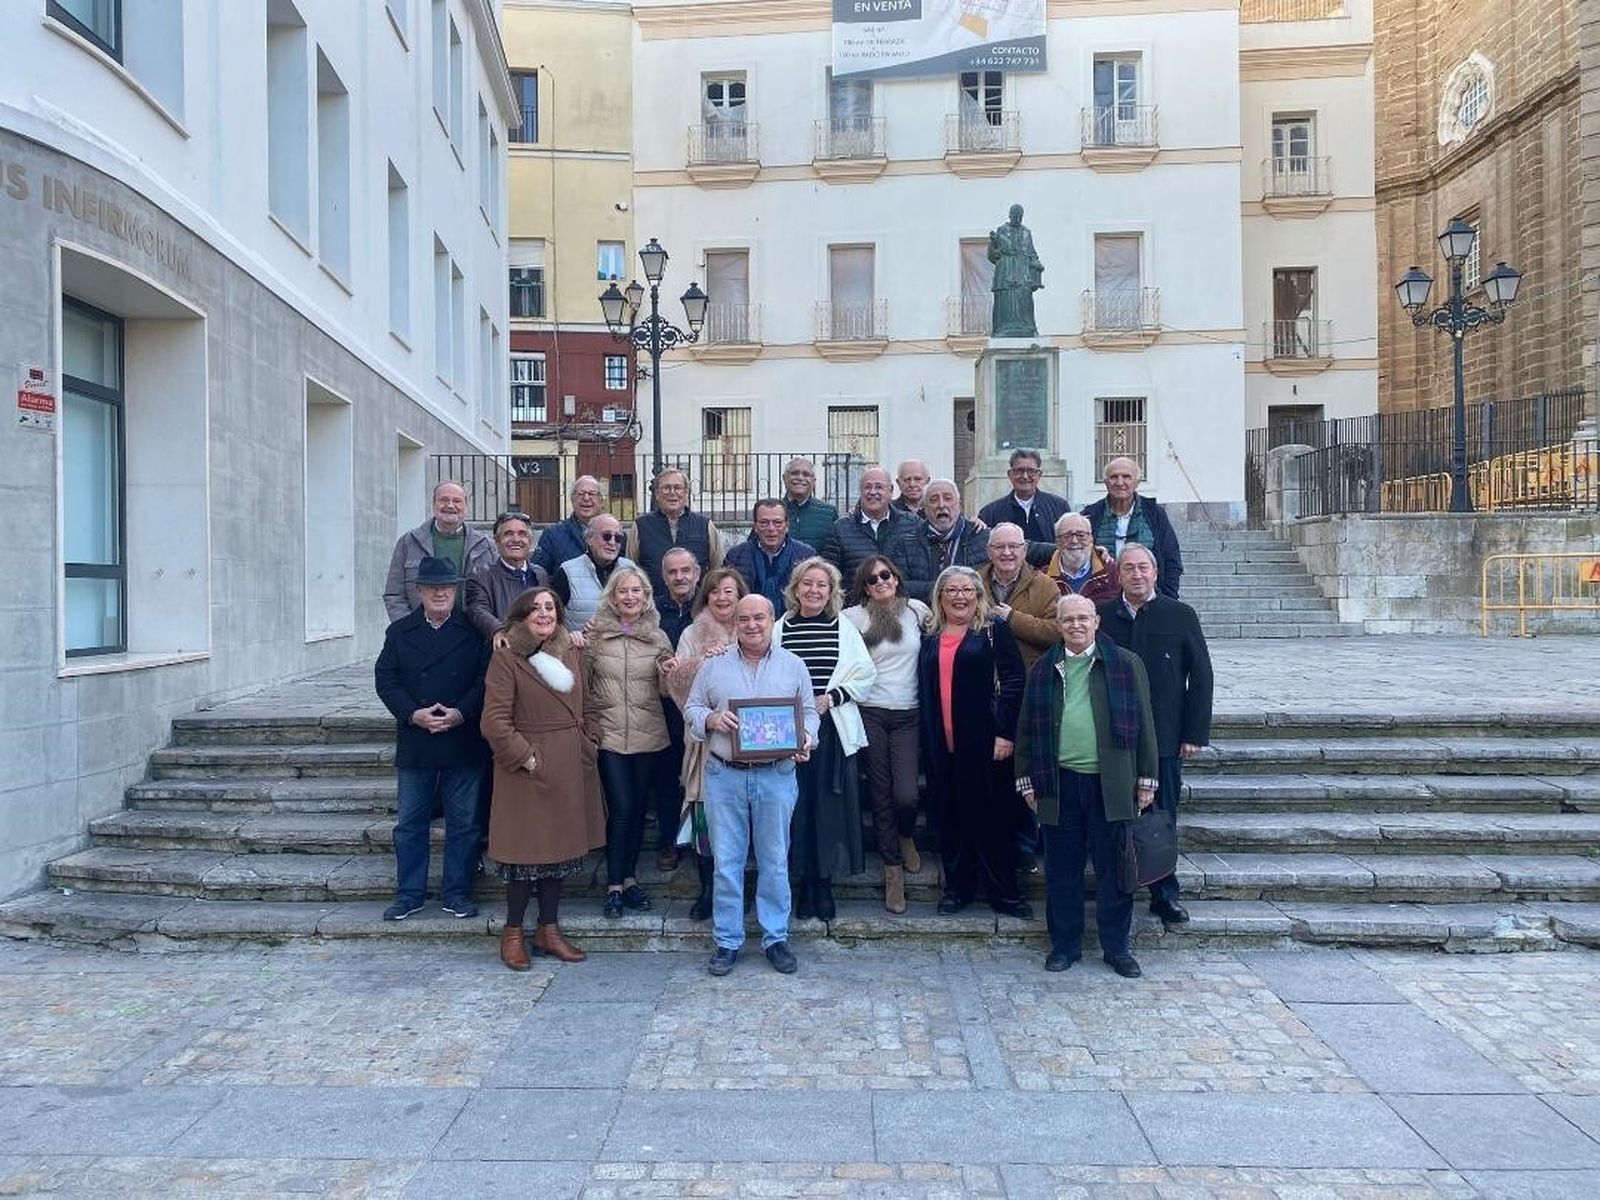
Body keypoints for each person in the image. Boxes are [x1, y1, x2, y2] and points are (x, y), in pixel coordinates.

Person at [1015, 594, 1159, 979]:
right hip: (1059, 782)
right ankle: (1065, 945)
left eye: (1083, 618)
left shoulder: (1126, 664)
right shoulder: (1044, 670)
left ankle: (1117, 947)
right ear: (1058, 626)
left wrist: (1147, 780)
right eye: (1068, 620)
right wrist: (1026, 781)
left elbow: (1145, 724)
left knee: (1114, 870)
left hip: (1111, 783)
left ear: (1096, 621)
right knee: (1062, 869)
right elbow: (1026, 730)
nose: (1076, 626)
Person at [684, 595, 819, 977]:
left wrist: (806, 736)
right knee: (727, 863)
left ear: (772, 619)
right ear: (736, 623)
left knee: (775, 860)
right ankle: (727, 941)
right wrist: (711, 719)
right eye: (744, 619)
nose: (752, 625)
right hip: (725, 774)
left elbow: (808, 712)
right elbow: (691, 709)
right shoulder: (713, 667)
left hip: (776, 775)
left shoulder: (794, 665)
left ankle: (775, 937)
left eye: (759, 617)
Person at [480, 586, 606, 968]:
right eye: (535, 608)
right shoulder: (507, 658)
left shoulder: (572, 651)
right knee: (524, 856)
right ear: (520, 616)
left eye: (550, 607)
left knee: (560, 854)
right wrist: (526, 757)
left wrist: (590, 741)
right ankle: (513, 931)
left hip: (570, 763)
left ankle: (549, 930)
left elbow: (589, 703)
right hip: (528, 770)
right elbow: (494, 721)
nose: (544, 614)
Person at [1097, 543, 1213, 927]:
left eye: (1143, 567)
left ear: (1155, 572)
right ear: (1119, 575)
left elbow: (1201, 677)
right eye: (1128, 568)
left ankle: (1164, 893)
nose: (1136, 574)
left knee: (1161, 818)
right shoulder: (1102, 618)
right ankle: (1115, 890)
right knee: (1114, 816)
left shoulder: (1179, 615)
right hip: (1112, 737)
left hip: (1164, 735)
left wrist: (1194, 732)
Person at [373, 556, 491, 922]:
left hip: (462, 738)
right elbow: (386, 680)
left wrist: (460, 713)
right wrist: (413, 713)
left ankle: (456, 893)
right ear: (419, 591)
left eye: (447, 588)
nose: (440, 593)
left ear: (455, 592)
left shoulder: (474, 632)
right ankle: (409, 894)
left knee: (464, 823)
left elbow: (485, 681)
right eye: (432, 587)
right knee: (410, 823)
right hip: (416, 739)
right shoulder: (400, 632)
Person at [918, 565, 1031, 920]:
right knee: (951, 817)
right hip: (942, 742)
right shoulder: (931, 634)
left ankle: (1004, 892)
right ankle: (958, 888)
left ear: (978, 595)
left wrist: (1005, 732)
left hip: (986, 740)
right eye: (951, 590)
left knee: (995, 817)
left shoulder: (993, 630)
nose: (959, 596)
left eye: (967, 590)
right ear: (940, 596)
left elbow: (1014, 682)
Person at [774, 557, 876, 922]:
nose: (814, 590)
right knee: (796, 809)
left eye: (822, 585)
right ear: (796, 588)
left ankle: (824, 885)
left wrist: (830, 698)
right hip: (789, 731)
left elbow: (865, 674)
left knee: (828, 809)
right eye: (808, 583)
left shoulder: (842, 628)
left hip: (831, 729)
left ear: (831, 592)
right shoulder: (780, 627)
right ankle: (804, 884)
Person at [584, 566, 674, 919]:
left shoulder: (658, 637)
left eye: (637, 591)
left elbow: (669, 691)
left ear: (646, 597)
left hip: (648, 733)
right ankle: (614, 884)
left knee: (636, 810)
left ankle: (630, 879)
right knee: (620, 808)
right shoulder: (594, 635)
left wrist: (671, 673)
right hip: (608, 734)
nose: (630, 597)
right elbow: (583, 683)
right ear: (613, 597)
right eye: (624, 591)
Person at [842, 556, 931, 914]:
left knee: (906, 795)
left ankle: (906, 833)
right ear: (864, 587)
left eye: (886, 575)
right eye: (872, 579)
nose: (881, 582)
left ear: (896, 578)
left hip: (909, 713)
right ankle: (893, 871)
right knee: (880, 795)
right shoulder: (852, 618)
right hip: (871, 713)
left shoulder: (917, 612)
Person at [662, 567, 749, 919]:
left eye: (730, 591)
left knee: (744, 819)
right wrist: (702, 660)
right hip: (704, 742)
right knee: (705, 820)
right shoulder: (691, 632)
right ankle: (708, 891)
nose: (723, 597)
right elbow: (676, 684)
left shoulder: (756, 626)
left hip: (749, 741)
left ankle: (742, 891)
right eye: (715, 592)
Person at [652, 547, 701, 871]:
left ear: (697, 573)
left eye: (686, 570)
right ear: (664, 575)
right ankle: (669, 841)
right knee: (667, 780)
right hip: (666, 707)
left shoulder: (708, 606)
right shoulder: (652, 609)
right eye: (673, 572)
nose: (680, 577)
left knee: (700, 780)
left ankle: (701, 843)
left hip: (705, 708)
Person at [384, 481, 495, 621]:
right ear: (433, 504)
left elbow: (495, 593)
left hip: (473, 634)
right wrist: (409, 630)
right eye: (443, 500)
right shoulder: (409, 542)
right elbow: (394, 595)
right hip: (422, 635)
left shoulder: (485, 546)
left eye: (457, 501)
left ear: (466, 507)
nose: (450, 505)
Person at [1080, 457, 1184, 598]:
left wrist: (1169, 599)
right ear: (1105, 483)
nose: (1120, 482)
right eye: (1114, 477)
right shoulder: (1090, 515)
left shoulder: (1154, 513)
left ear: (1137, 482)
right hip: (1102, 599)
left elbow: (1171, 559)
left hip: (1148, 598)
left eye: (1127, 477)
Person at [820, 466, 925, 591]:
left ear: (891, 490)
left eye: (879, 487)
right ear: (860, 491)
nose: (873, 492)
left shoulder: (913, 525)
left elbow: (922, 571)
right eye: (868, 487)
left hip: (902, 605)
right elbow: (830, 576)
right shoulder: (840, 529)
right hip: (857, 606)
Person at [628, 467, 723, 599]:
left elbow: (716, 569)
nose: (672, 493)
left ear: (686, 493)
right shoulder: (641, 526)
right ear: (657, 494)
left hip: (696, 608)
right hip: (653, 608)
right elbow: (630, 569)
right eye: (666, 488)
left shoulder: (705, 525)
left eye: (678, 488)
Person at [977, 522, 1060, 669]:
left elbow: (1056, 631)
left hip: (1029, 678)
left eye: (1014, 546)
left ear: (1024, 550)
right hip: (981, 674)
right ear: (989, 552)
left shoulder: (1045, 585)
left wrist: (1012, 618)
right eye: (999, 547)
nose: (1007, 552)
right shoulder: (973, 583)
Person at [894, 479, 989, 602]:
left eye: (948, 498)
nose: (941, 505)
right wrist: (941, 588)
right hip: (925, 615)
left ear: (959, 505)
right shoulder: (907, 542)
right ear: (925, 509)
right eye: (933, 500)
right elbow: (898, 585)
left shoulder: (981, 537)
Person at [465, 510, 550, 641]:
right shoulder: (481, 576)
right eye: (508, 534)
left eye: (522, 534)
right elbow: (477, 609)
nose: (516, 539)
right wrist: (499, 630)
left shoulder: (540, 574)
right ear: (497, 541)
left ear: (530, 541)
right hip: (502, 652)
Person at [724, 499, 815, 612]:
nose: (771, 529)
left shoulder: (806, 555)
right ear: (755, 526)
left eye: (777, 523)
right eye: (764, 523)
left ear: (787, 525)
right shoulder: (736, 556)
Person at [551, 514, 635, 631]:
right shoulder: (568, 571)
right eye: (606, 536)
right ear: (589, 539)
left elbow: (642, 616)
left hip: (623, 647)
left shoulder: (631, 570)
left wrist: (624, 629)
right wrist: (571, 638)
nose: (612, 542)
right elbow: (553, 620)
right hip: (581, 647)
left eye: (618, 538)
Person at [977, 449, 1072, 545]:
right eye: (1019, 471)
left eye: (1031, 471)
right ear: (1010, 474)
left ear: (1039, 475)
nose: (1025, 476)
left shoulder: (1059, 507)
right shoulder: (990, 513)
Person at [531, 475, 606, 577]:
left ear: (601, 500)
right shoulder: (552, 535)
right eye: (580, 494)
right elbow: (538, 573)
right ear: (572, 499)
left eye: (592, 494)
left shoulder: (615, 535)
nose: (586, 498)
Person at [988, 202, 1044, 338]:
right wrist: (994, 243)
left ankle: (1027, 326)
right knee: (1007, 297)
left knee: (1024, 295)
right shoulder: (1002, 230)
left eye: (1020, 217)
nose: (1017, 219)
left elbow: (1032, 252)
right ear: (1010, 216)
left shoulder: (1026, 233)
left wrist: (1037, 263)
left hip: (1023, 270)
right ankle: (1004, 327)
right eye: (1015, 216)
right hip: (1006, 269)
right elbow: (994, 255)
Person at [1047, 513, 1119, 606]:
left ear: (1091, 539)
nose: (1074, 541)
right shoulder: (1044, 580)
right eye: (1067, 536)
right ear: (1057, 542)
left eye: (1081, 535)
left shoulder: (1112, 573)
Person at [782, 457, 838, 548]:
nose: (800, 478)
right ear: (784, 478)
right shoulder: (771, 511)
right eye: (794, 473)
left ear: (813, 481)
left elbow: (836, 550)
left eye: (806, 474)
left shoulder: (829, 512)